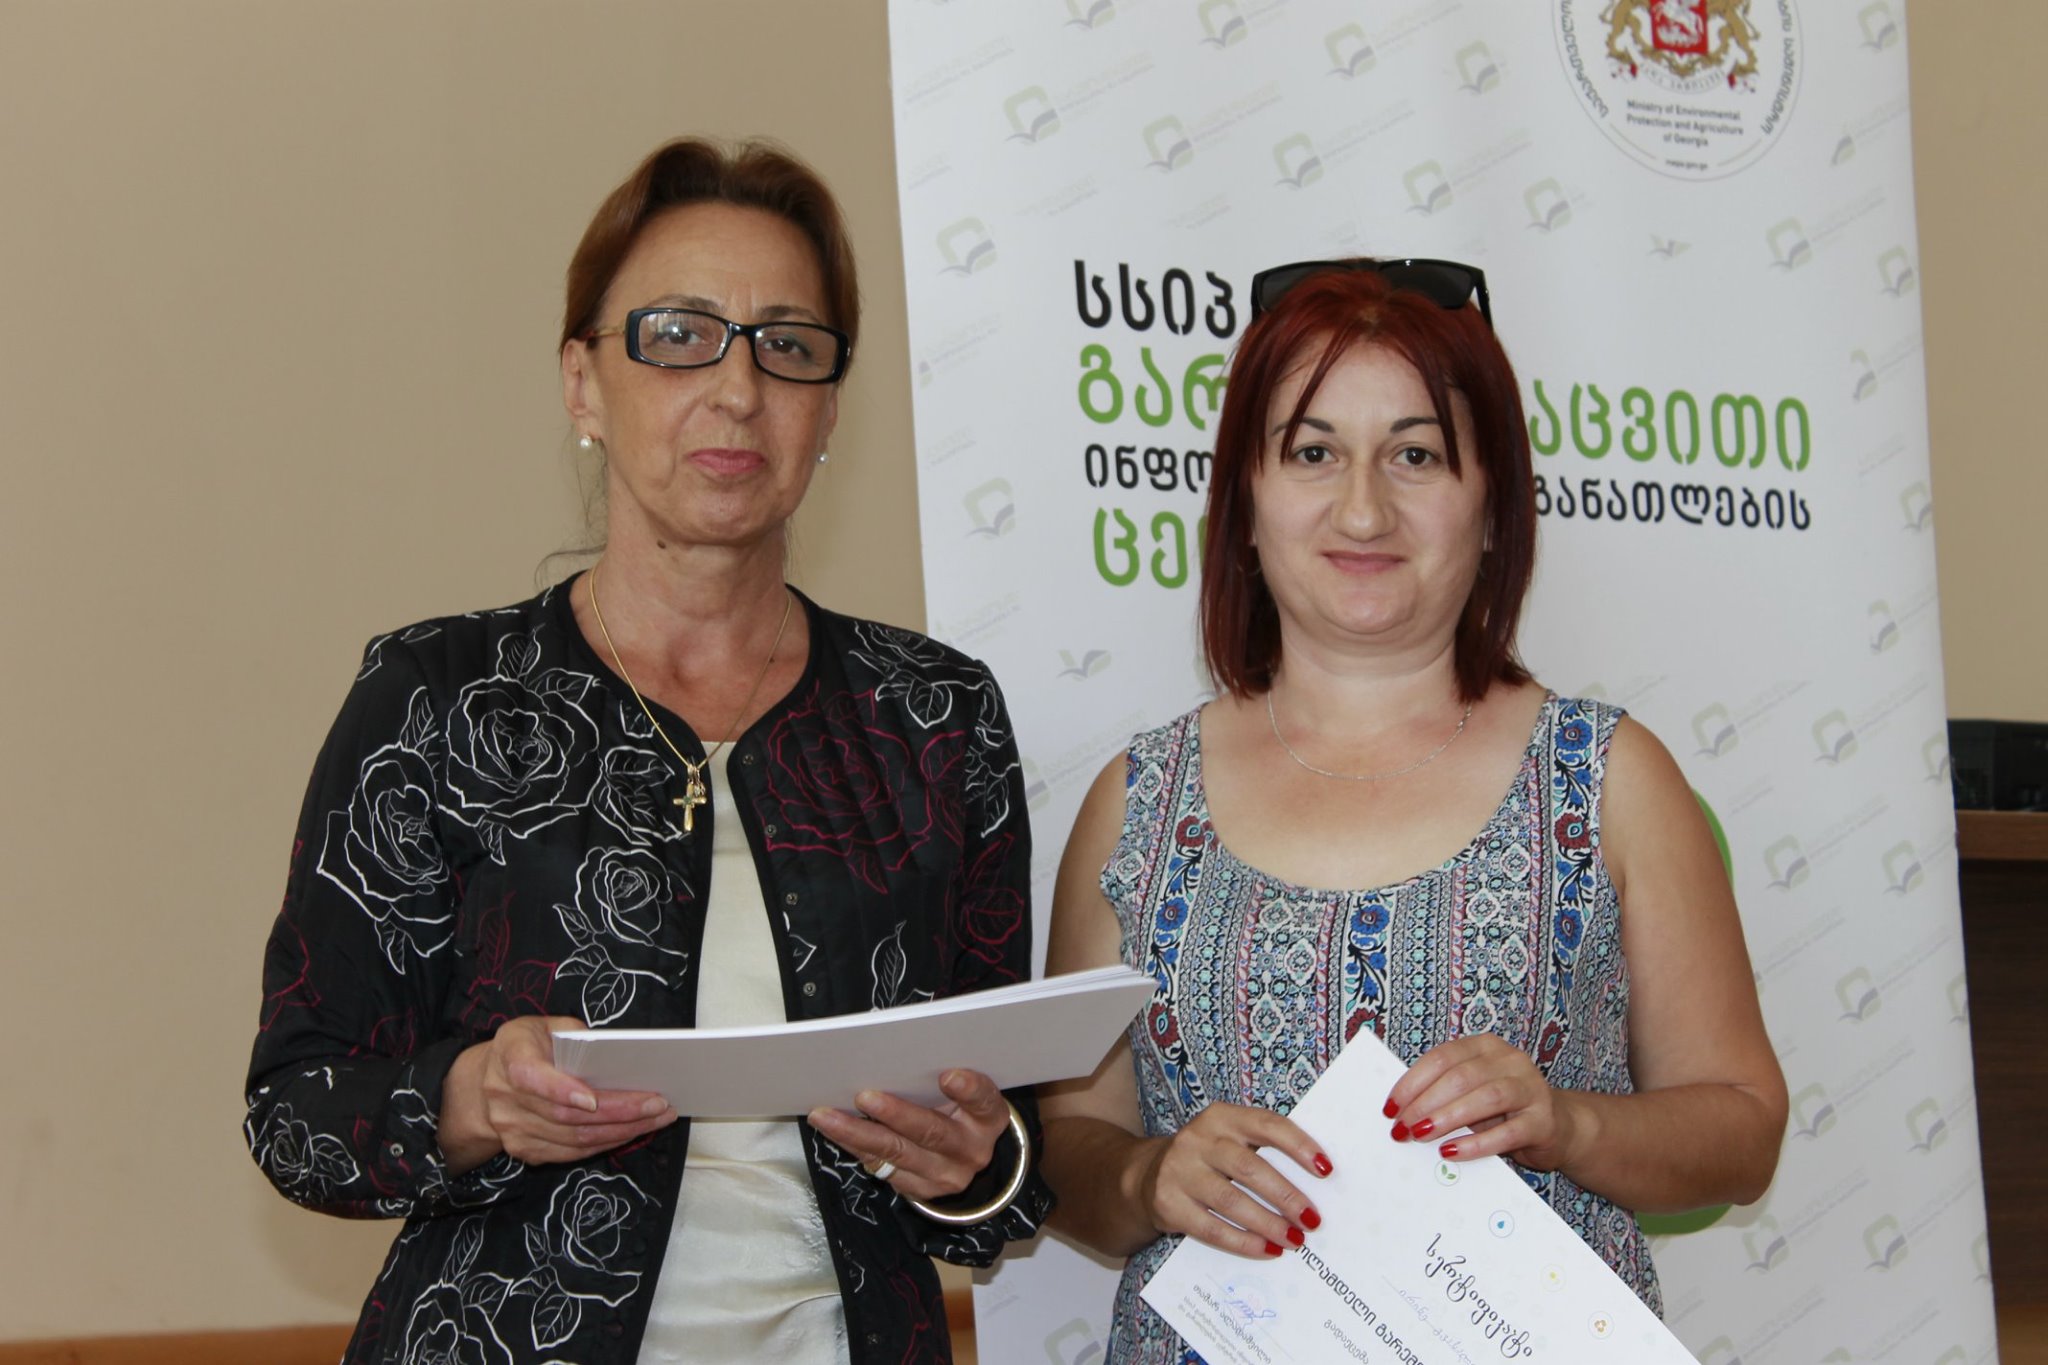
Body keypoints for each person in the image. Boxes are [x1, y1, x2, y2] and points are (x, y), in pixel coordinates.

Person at [244, 138, 1050, 1365]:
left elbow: (1012, 1156)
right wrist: (474, 1100)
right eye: (678, 336)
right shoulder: (436, 696)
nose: (737, 390)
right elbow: (296, 1111)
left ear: (829, 407)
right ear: (581, 383)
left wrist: (973, 1162)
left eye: (787, 345)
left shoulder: (933, 717)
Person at [1037, 259, 1788, 1361]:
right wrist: (1147, 1174)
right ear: (1243, 501)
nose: (1362, 507)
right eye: (1312, 452)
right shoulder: (1134, 803)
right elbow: (1066, 1144)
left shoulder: (1609, 778)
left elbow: (1742, 1129)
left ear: (1491, 506)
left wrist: (1569, 1122)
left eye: (1415, 454)